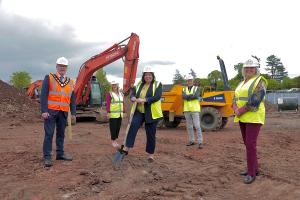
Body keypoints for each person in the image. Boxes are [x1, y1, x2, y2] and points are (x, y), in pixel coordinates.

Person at [232, 58, 268, 184]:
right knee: (248, 144)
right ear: (243, 69)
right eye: (247, 68)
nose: (249, 69)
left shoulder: (260, 81)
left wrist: (239, 110)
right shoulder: (241, 83)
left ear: (256, 69)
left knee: (250, 144)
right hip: (242, 116)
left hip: (254, 116)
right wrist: (235, 108)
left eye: (251, 67)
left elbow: (256, 100)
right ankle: (254, 168)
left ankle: (251, 173)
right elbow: (234, 97)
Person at [121, 65, 163, 162]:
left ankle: (150, 155)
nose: (148, 76)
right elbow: (133, 93)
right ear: (143, 76)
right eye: (146, 75)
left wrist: (144, 100)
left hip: (151, 113)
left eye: (149, 75)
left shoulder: (158, 84)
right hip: (139, 111)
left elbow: (157, 96)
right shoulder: (139, 84)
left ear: (152, 75)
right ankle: (126, 148)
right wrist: (132, 97)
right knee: (132, 127)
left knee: (151, 134)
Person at [40, 57, 76, 167]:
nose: (62, 68)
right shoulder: (49, 77)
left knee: (61, 134)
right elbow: (43, 95)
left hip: (63, 112)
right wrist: (44, 110)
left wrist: (73, 113)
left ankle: (60, 154)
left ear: (67, 68)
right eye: (60, 66)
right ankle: (47, 156)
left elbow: (72, 98)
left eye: (64, 66)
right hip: (50, 112)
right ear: (56, 67)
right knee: (49, 134)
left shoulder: (71, 82)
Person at [182, 75, 203, 149]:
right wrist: (191, 96)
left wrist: (188, 97)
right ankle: (191, 141)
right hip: (187, 110)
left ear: (193, 81)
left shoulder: (197, 88)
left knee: (197, 126)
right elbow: (183, 96)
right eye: (188, 80)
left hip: (195, 109)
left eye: (190, 80)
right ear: (186, 81)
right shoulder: (184, 89)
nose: (189, 81)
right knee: (189, 126)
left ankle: (200, 142)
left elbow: (196, 96)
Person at [106, 81, 124, 148]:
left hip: (120, 114)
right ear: (111, 86)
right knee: (113, 128)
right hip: (113, 114)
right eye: (113, 85)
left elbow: (122, 103)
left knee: (117, 128)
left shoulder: (121, 94)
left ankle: (115, 140)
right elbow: (108, 104)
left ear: (117, 85)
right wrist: (108, 112)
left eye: (115, 85)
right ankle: (113, 141)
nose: (114, 86)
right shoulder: (110, 94)